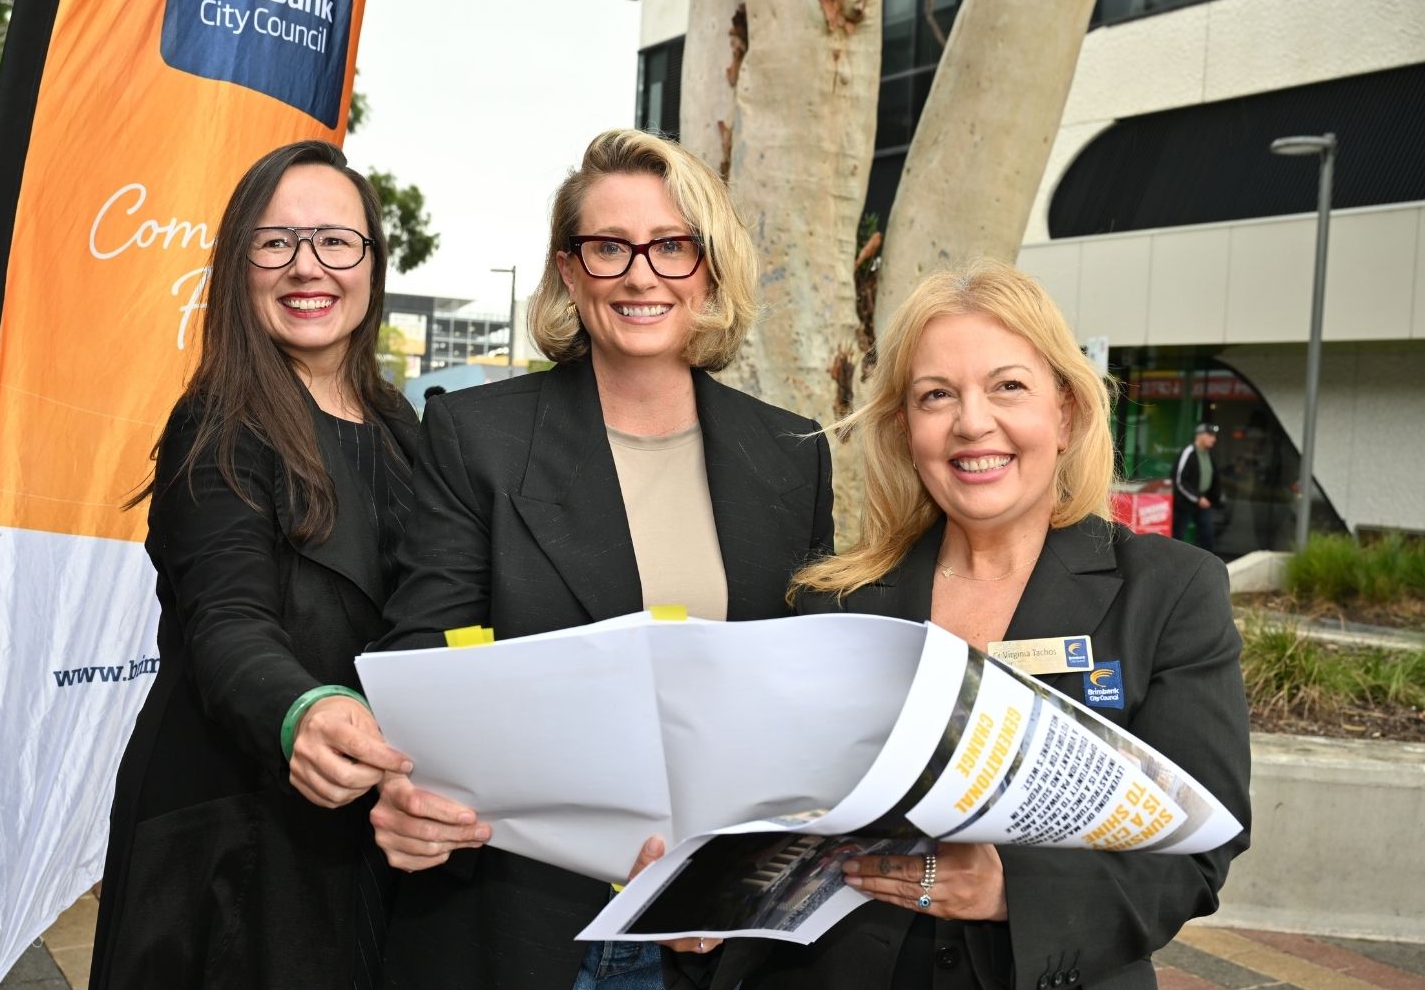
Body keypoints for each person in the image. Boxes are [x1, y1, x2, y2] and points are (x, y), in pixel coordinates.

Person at [368, 128, 834, 990]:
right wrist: (409, 795)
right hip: (530, 916)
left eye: (671, 246)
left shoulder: (791, 453)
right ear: (570, 270)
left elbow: (807, 695)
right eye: (607, 247)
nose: (641, 274)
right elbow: (422, 654)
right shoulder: (478, 438)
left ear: (709, 269)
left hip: (715, 926)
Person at [717, 260, 1250, 990]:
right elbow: (762, 822)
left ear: (1064, 412)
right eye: (937, 395)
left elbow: (1198, 849)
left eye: (1008, 386)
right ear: (906, 429)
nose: (973, 423)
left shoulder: (1171, 593)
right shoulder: (833, 604)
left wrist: (1011, 892)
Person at [90, 140, 418, 990]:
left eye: (335, 240)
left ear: (373, 262)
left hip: (374, 833)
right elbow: (225, 620)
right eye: (274, 242)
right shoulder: (217, 424)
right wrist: (301, 710)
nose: (306, 266)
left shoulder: (408, 432)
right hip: (233, 846)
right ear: (239, 265)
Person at [1172, 422, 1220, 551]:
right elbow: (1180, 481)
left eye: (1214, 436)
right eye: (1210, 435)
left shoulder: (1208, 454)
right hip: (1186, 503)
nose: (1213, 439)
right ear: (1199, 436)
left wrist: (1213, 498)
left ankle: (1208, 566)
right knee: (1177, 536)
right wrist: (1198, 498)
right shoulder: (1189, 452)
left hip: (1203, 501)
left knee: (1207, 535)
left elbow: (1213, 478)